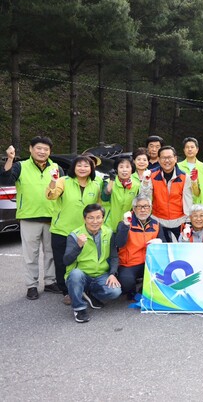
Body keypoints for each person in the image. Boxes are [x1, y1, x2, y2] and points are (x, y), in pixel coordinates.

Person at [1, 137, 64, 300]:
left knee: (50, 253)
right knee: (31, 255)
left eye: (46, 149)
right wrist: (10, 159)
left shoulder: (56, 168)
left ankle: (50, 282)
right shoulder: (20, 166)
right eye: (39, 148)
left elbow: (64, 191)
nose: (42, 152)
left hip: (52, 217)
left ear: (50, 151)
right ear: (31, 149)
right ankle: (32, 285)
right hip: (29, 217)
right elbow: (6, 179)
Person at [46, 155, 102, 303]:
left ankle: (82, 288)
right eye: (79, 165)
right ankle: (66, 291)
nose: (82, 168)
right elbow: (51, 195)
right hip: (61, 230)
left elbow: (98, 207)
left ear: (91, 169)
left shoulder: (96, 185)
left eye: (86, 166)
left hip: (84, 231)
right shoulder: (63, 181)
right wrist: (53, 180)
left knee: (81, 261)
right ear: (73, 167)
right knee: (62, 262)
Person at [63, 204, 121, 323]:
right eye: (90, 218)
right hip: (81, 275)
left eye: (98, 217)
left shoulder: (108, 232)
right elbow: (66, 260)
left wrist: (112, 274)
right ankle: (79, 309)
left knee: (115, 291)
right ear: (84, 219)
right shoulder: (75, 235)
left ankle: (91, 295)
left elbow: (114, 256)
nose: (95, 221)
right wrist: (78, 246)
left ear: (103, 218)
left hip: (100, 274)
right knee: (75, 275)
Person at [115, 195, 168, 299]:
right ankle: (132, 290)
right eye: (139, 207)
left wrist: (160, 241)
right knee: (126, 284)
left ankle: (142, 289)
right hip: (130, 263)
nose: (143, 210)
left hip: (149, 263)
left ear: (150, 208)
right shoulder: (125, 223)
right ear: (134, 209)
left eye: (146, 206)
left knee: (164, 275)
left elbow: (164, 244)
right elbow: (119, 243)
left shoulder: (156, 224)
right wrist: (125, 226)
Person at [139, 146, 193, 241]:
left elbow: (188, 200)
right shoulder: (150, 175)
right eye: (163, 158)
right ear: (159, 160)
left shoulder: (185, 177)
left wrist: (188, 222)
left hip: (179, 221)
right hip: (158, 220)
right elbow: (144, 197)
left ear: (175, 159)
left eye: (169, 157)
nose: (167, 160)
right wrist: (145, 182)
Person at [102, 156, 140, 233]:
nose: (124, 170)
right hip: (108, 225)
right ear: (116, 169)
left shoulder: (136, 185)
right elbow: (105, 197)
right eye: (121, 167)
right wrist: (112, 180)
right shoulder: (108, 181)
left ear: (132, 169)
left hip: (127, 225)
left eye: (127, 167)